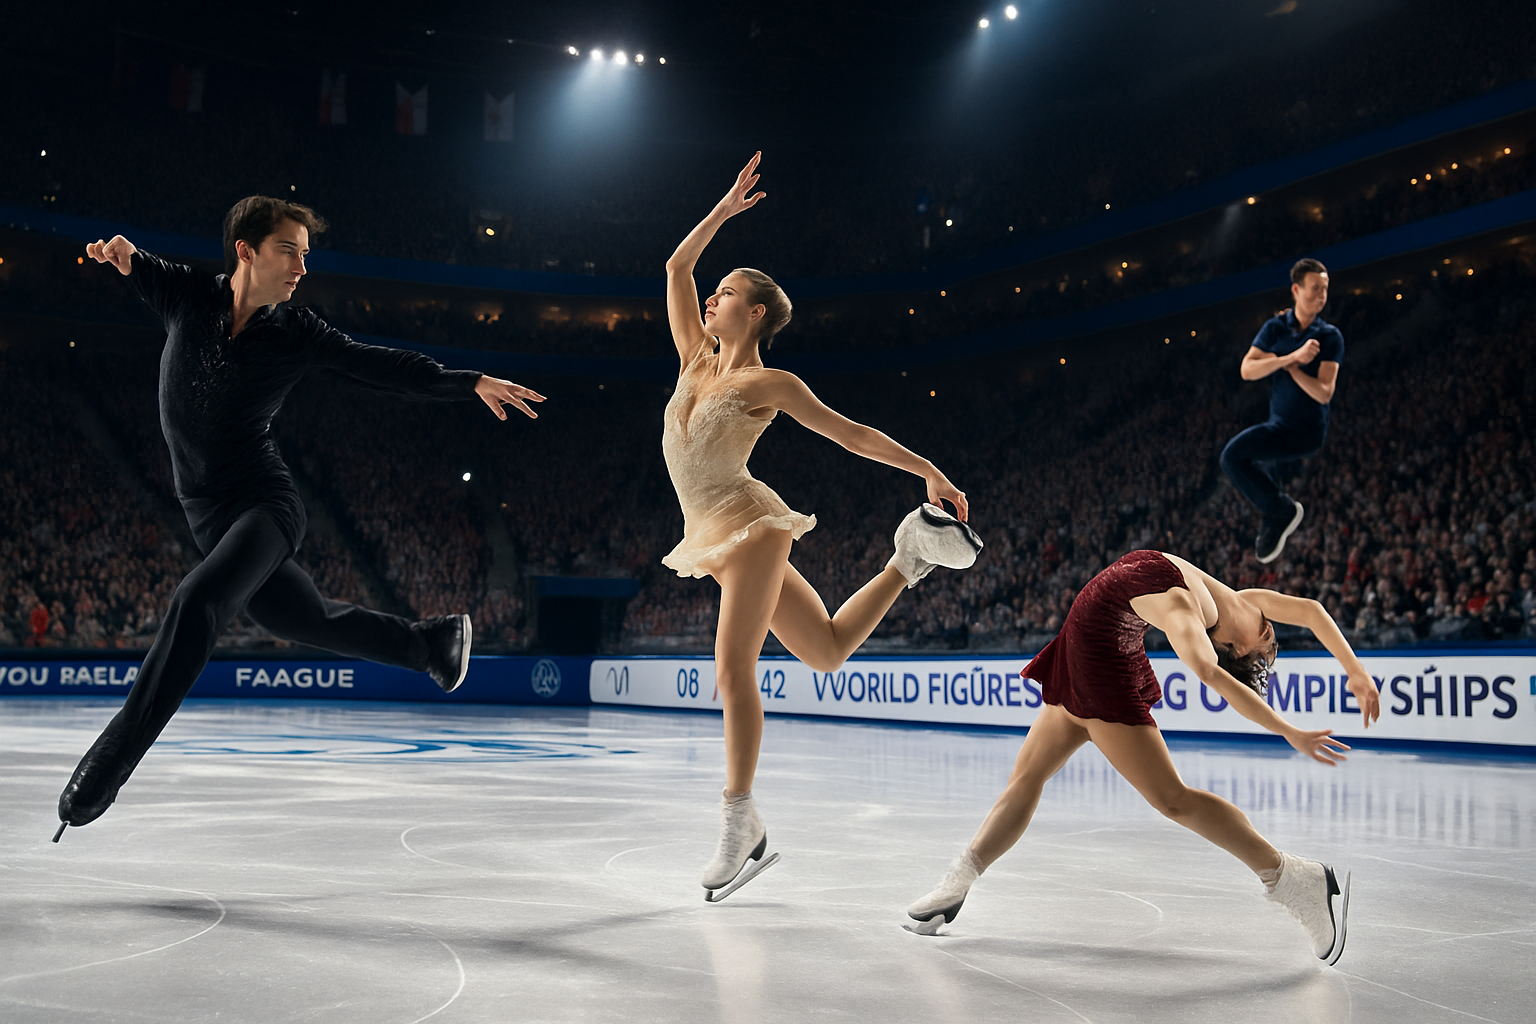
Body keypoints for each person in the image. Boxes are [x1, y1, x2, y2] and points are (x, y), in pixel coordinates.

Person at [55, 197, 546, 840]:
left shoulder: (298, 334)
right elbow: (137, 263)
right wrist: (121, 255)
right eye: (289, 250)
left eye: (305, 255)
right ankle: (430, 643)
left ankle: (113, 759)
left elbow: (378, 365)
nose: (300, 268)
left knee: (200, 598)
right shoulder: (188, 298)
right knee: (302, 618)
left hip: (265, 506)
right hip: (206, 515)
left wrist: (468, 380)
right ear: (246, 250)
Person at [665, 154, 983, 900]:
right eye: (715, 292)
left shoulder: (768, 384)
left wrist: (925, 466)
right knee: (830, 651)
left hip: (751, 526)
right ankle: (908, 559)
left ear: (756, 315)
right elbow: (678, 265)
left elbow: (851, 434)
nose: (712, 297)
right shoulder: (691, 358)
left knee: (732, 666)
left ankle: (740, 821)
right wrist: (721, 211)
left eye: (727, 293)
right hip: (710, 536)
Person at [906, 549, 1380, 965]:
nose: (1271, 645)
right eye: (1269, 645)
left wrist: (1287, 730)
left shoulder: (1185, 610)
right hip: (1080, 651)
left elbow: (1209, 673)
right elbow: (1315, 612)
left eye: (1265, 652)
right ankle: (957, 883)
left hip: (1102, 666)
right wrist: (1354, 673)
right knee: (1025, 780)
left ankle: (1298, 881)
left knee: (1173, 799)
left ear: (1233, 647)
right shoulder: (1245, 599)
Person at [1220, 258, 1344, 563]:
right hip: (1278, 425)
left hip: (1306, 432)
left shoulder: (1329, 336)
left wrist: (1295, 369)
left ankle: (1278, 511)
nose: (1321, 295)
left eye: (1325, 289)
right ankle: (1278, 510)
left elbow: (1324, 393)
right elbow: (1248, 370)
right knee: (1232, 457)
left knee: (1245, 458)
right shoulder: (1275, 328)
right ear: (1296, 290)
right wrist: (1290, 357)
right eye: (1315, 288)